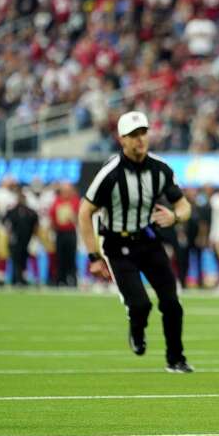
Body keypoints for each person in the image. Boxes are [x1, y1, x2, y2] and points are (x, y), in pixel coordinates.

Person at [78, 110, 194, 373]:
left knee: (172, 303)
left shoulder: (160, 169)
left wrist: (175, 217)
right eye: (133, 135)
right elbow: (85, 211)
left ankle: (176, 359)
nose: (140, 139)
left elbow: (184, 205)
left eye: (143, 133)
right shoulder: (110, 173)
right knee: (141, 304)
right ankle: (136, 327)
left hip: (148, 240)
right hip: (117, 246)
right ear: (122, 139)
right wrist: (94, 257)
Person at [3, 188, 38, 285]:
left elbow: (35, 223)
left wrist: (33, 236)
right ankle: (16, 278)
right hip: (16, 239)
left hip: (26, 240)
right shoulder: (13, 211)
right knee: (16, 259)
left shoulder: (30, 212)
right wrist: (9, 233)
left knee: (22, 259)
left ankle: (20, 278)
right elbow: (5, 222)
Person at [49, 182, 80, 286]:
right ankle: (60, 280)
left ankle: (72, 280)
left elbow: (77, 217)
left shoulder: (75, 200)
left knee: (71, 257)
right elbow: (52, 216)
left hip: (70, 233)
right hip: (60, 233)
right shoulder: (57, 201)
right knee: (60, 257)